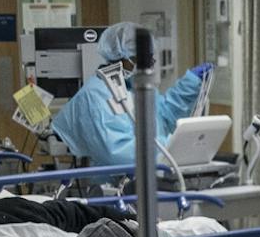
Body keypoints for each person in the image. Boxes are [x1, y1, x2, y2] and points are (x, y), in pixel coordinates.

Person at [50, 22, 212, 166]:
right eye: (145, 59)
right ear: (123, 57)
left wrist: (190, 85)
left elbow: (165, 116)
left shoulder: (135, 86)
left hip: (151, 175)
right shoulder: (95, 96)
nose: (149, 65)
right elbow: (118, 150)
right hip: (112, 189)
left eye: (150, 59)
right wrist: (173, 146)